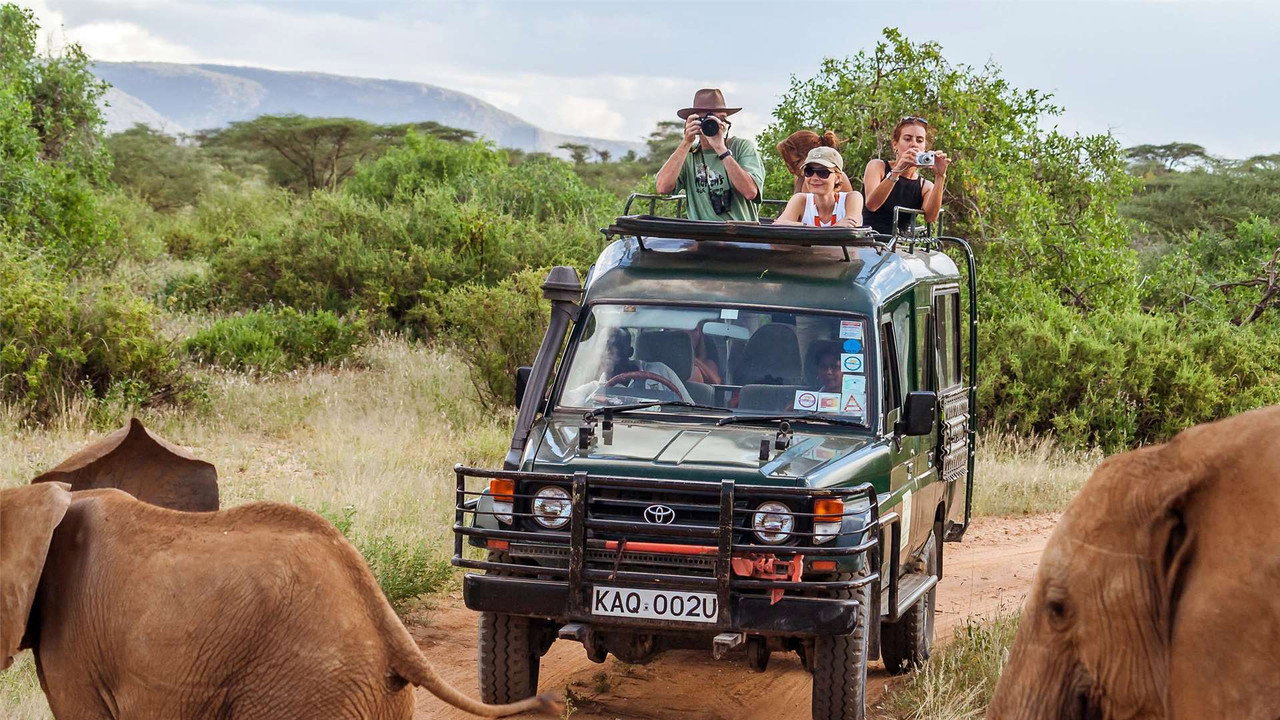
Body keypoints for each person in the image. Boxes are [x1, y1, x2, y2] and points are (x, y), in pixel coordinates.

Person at [655, 88, 766, 222]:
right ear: (694, 121)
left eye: (719, 118)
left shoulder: (742, 147)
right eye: (705, 119)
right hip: (702, 233)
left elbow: (750, 192)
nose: (712, 123)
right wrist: (686, 142)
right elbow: (662, 187)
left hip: (739, 232)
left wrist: (721, 149)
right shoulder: (689, 154)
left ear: (725, 121)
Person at [861, 116, 951, 236]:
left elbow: (931, 218)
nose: (914, 144)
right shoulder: (877, 166)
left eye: (919, 140)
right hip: (868, 240)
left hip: (898, 245)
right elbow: (872, 205)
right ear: (895, 144)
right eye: (908, 139)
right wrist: (897, 171)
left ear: (925, 148)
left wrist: (940, 176)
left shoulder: (925, 186)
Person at [772, 146, 863, 227]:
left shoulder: (852, 198)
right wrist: (808, 226)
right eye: (809, 172)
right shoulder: (800, 200)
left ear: (838, 178)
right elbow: (778, 226)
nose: (814, 178)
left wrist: (800, 227)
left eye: (823, 172)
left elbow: (852, 227)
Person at [776, 129, 852, 194]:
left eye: (796, 162)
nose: (792, 170)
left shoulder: (837, 178)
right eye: (788, 165)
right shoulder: (800, 178)